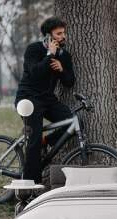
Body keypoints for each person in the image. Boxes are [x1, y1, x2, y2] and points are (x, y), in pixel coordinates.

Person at [14, 17, 75, 184]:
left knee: (74, 123)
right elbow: (34, 73)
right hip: (28, 98)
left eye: (64, 33)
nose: (63, 36)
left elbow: (69, 82)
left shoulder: (65, 56)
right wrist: (49, 56)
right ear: (49, 36)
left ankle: (46, 141)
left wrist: (62, 69)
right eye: (59, 34)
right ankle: (30, 187)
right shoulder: (33, 50)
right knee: (33, 143)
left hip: (48, 100)